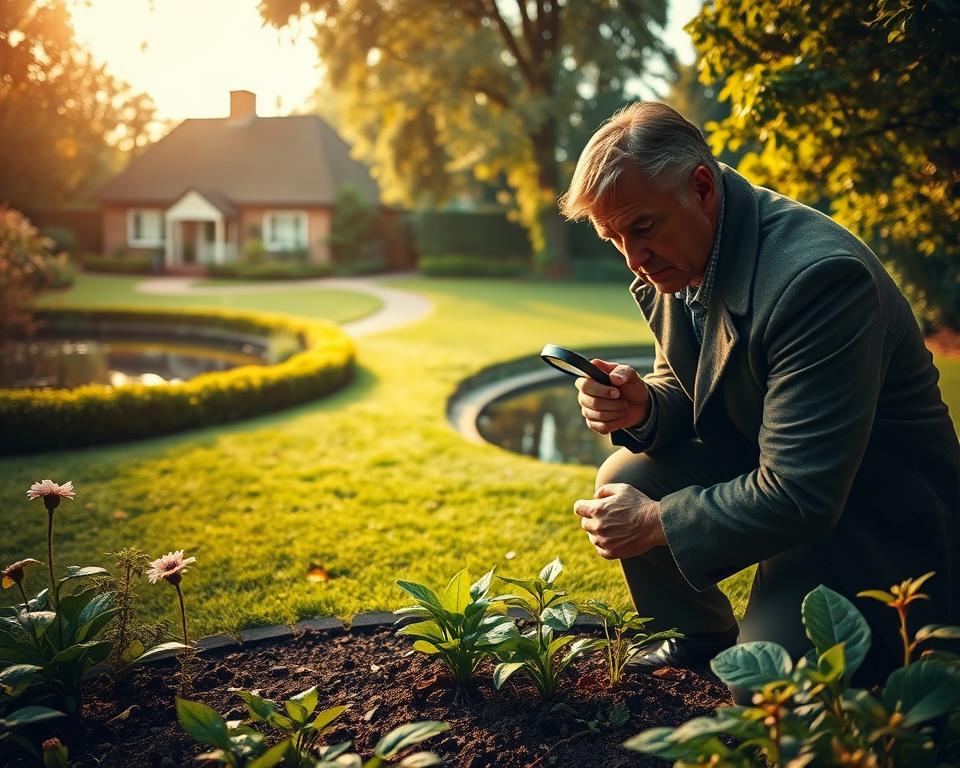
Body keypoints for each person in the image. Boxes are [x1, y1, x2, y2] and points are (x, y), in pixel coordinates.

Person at [559, 101, 960, 690]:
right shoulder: (686, 252)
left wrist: (657, 522)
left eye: (641, 228)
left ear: (701, 187)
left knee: (766, 686)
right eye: (613, 238)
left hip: (872, 520)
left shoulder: (818, 279)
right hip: (780, 473)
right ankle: (698, 634)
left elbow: (803, 490)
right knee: (628, 473)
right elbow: (692, 386)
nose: (633, 260)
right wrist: (645, 405)